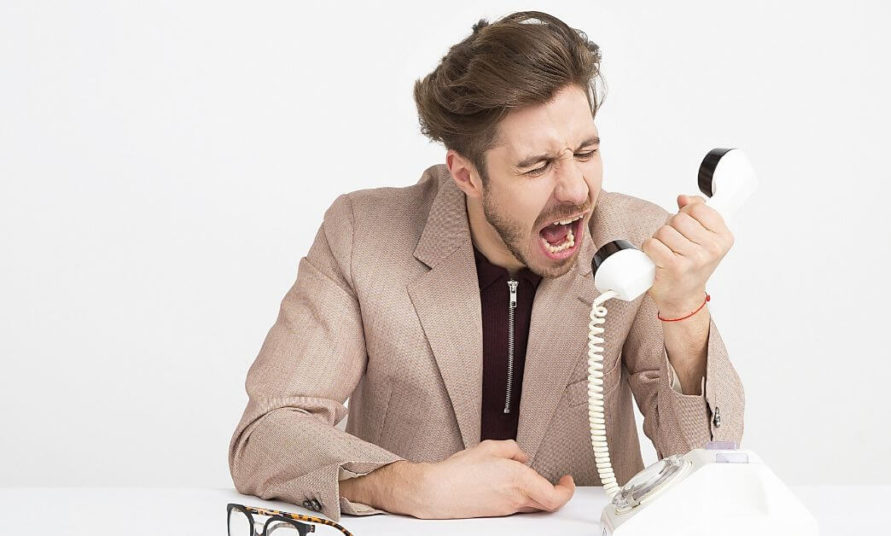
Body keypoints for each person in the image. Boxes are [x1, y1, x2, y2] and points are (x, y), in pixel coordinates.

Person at [228, 10, 744, 522]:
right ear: (466, 175)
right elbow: (265, 433)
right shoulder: (361, 234)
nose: (576, 190)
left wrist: (684, 310)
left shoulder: (635, 242)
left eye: (586, 152)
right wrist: (407, 486)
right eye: (537, 165)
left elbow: (711, 466)